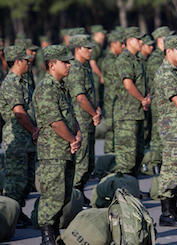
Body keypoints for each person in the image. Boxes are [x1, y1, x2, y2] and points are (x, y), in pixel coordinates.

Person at [33, 45, 81, 245]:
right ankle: (47, 236)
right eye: (65, 62)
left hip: (65, 150)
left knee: (63, 196)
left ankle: (54, 232)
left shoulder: (61, 87)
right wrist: (72, 140)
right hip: (53, 151)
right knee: (53, 194)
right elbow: (55, 122)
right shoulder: (46, 88)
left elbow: (70, 117)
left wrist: (77, 136)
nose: (69, 65)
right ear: (52, 65)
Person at [154, 35, 177, 227]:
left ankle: (172, 210)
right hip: (173, 129)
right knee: (173, 169)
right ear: (169, 51)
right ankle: (167, 212)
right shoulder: (167, 73)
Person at [0, 45, 38, 228]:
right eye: (25, 60)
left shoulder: (23, 81)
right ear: (17, 62)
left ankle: (18, 212)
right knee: (16, 180)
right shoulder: (11, 83)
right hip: (17, 139)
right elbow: (19, 112)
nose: (28, 63)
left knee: (27, 179)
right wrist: (34, 131)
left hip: (27, 138)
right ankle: (9, 217)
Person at [65, 34, 101, 206]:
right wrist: (94, 113)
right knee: (81, 162)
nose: (90, 50)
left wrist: (96, 110)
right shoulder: (75, 69)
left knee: (88, 162)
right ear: (78, 49)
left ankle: (78, 195)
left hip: (87, 120)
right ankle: (73, 198)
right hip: (80, 121)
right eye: (87, 48)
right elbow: (80, 97)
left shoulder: (84, 67)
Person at [112, 27, 150, 176]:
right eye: (138, 39)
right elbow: (128, 84)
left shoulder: (138, 60)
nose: (141, 42)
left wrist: (147, 98)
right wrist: (143, 100)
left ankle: (132, 192)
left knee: (137, 155)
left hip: (138, 113)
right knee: (126, 159)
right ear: (128, 41)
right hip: (126, 114)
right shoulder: (124, 59)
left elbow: (142, 84)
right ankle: (123, 194)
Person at [146, 26, 174, 172]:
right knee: (158, 132)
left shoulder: (163, 56)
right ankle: (156, 163)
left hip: (165, 100)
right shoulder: (156, 58)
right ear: (160, 40)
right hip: (159, 101)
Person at [101, 31, 124, 154]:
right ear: (113, 44)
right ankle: (109, 157)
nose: (123, 46)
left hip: (116, 98)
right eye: (121, 43)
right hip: (112, 99)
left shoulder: (116, 59)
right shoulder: (110, 61)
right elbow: (116, 82)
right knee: (111, 130)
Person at [90, 25, 107, 109]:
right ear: (96, 34)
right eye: (102, 34)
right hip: (95, 76)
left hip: (96, 76)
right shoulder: (94, 46)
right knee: (95, 99)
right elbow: (92, 63)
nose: (104, 36)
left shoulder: (98, 46)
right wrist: (101, 76)